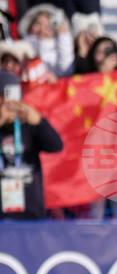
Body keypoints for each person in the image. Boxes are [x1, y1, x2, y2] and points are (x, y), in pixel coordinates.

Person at [0, 70, 63, 219]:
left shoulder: (28, 127)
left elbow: (56, 145)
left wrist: (40, 122)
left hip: (31, 215)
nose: (9, 105)